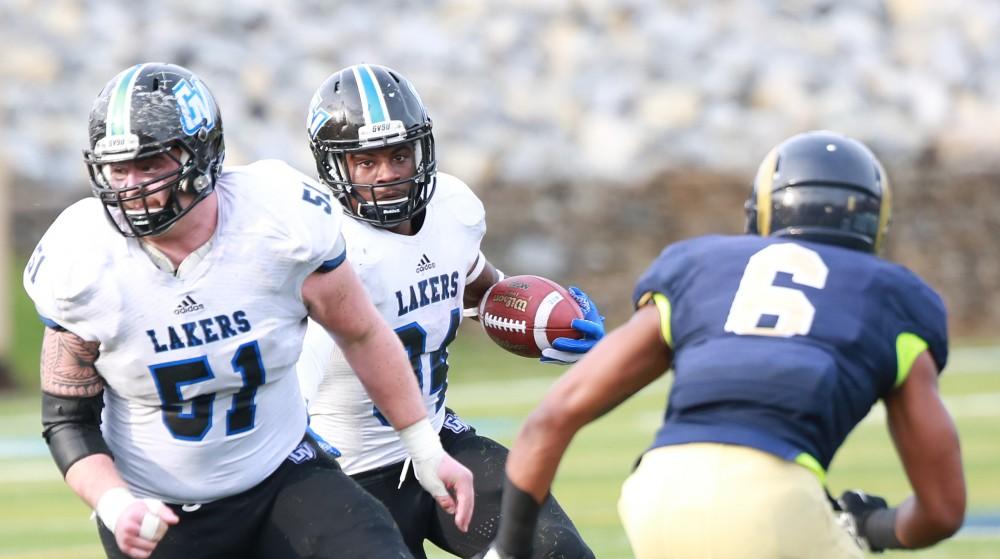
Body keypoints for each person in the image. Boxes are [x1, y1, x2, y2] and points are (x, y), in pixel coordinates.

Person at [23, 62, 475, 559]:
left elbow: (362, 333)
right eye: (117, 168)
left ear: (202, 156)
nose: (130, 187)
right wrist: (114, 503)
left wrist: (426, 449)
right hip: (159, 511)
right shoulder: (82, 260)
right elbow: (67, 420)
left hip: (282, 476)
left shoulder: (277, 223)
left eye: (149, 164)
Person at [478, 130, 967, 558]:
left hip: (657, 496)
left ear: (763, 208)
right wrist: (872, 527)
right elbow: (943, 510)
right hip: (776, 502)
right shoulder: (896, 297)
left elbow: (552, 419)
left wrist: (509, 550)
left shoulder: (697, 266)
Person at [297, 63, 599, 559]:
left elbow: (480, 289)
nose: (388, 174)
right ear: (336, 168)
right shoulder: (329, 248)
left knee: (558, 552)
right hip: (348, 472)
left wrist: (544, 320)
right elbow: (297, 372)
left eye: (398, 155)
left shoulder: (452, 209)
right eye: (366, 162)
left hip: (439, 440)